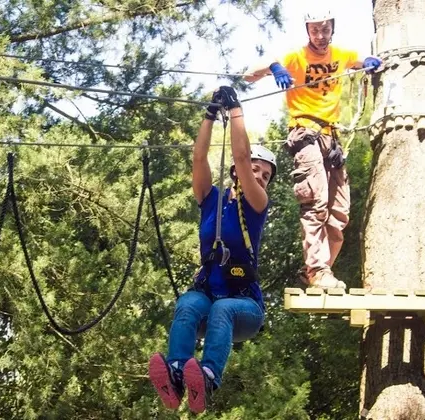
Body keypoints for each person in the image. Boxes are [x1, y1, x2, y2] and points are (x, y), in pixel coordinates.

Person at [148, 86, 276, 414]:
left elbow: (243, 158)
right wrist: (208, 115)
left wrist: (236, 113)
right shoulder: (212, 200)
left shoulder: (257, 205)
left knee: (223, 311)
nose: (259, 176)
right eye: (256, 171)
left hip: (244, 309)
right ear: (234, 174)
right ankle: (177, 375)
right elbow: (198, 157)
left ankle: (207, 378)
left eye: (265, 175)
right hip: (208, 299)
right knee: (189, 302)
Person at [243, 6, 382, 289]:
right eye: (315, 30)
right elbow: (248, 75)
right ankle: (317, 270)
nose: (320, 35)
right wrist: (274, 67)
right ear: (307, 31)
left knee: (340, 211)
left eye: (325, 29)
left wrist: (369, 61)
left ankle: (317, 272)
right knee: (316, 200)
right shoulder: (296, 57)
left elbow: (358, 62)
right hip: (304, 131)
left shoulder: (340, 55)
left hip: (332, 137)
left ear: (332, 28)